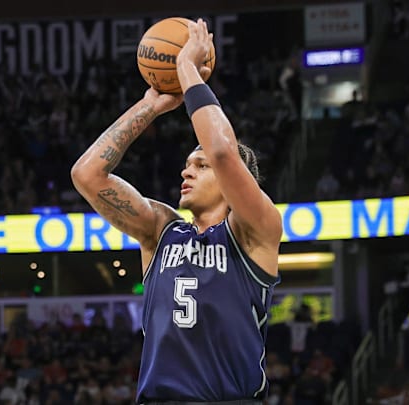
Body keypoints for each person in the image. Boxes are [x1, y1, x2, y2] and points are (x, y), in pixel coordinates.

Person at [71, 19, 283, 404]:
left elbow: (221, 151)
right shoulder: (162, 230)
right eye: (188, 163)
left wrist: (185, 67)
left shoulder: (256, 230)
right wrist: (149, 106)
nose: (187, 169)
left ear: (231, 179)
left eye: (200, 166)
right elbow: (87, 174)